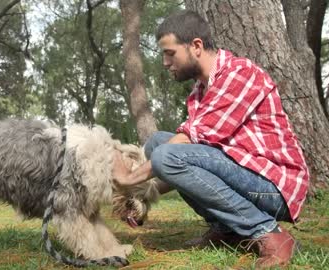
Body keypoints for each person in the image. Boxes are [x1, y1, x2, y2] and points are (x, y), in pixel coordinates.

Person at [112, 10, 309, 268]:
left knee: (164, 153)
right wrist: (143, 194)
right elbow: (186, 167)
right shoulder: (199, 93)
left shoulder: (239, 73)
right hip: (242, 172)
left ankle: (267, 233)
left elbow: (178, 152)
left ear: (196, 46)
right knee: (157, 143)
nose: (164, 62)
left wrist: (128, 178)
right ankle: (226, 230)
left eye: (170, 53)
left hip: (275, 185)